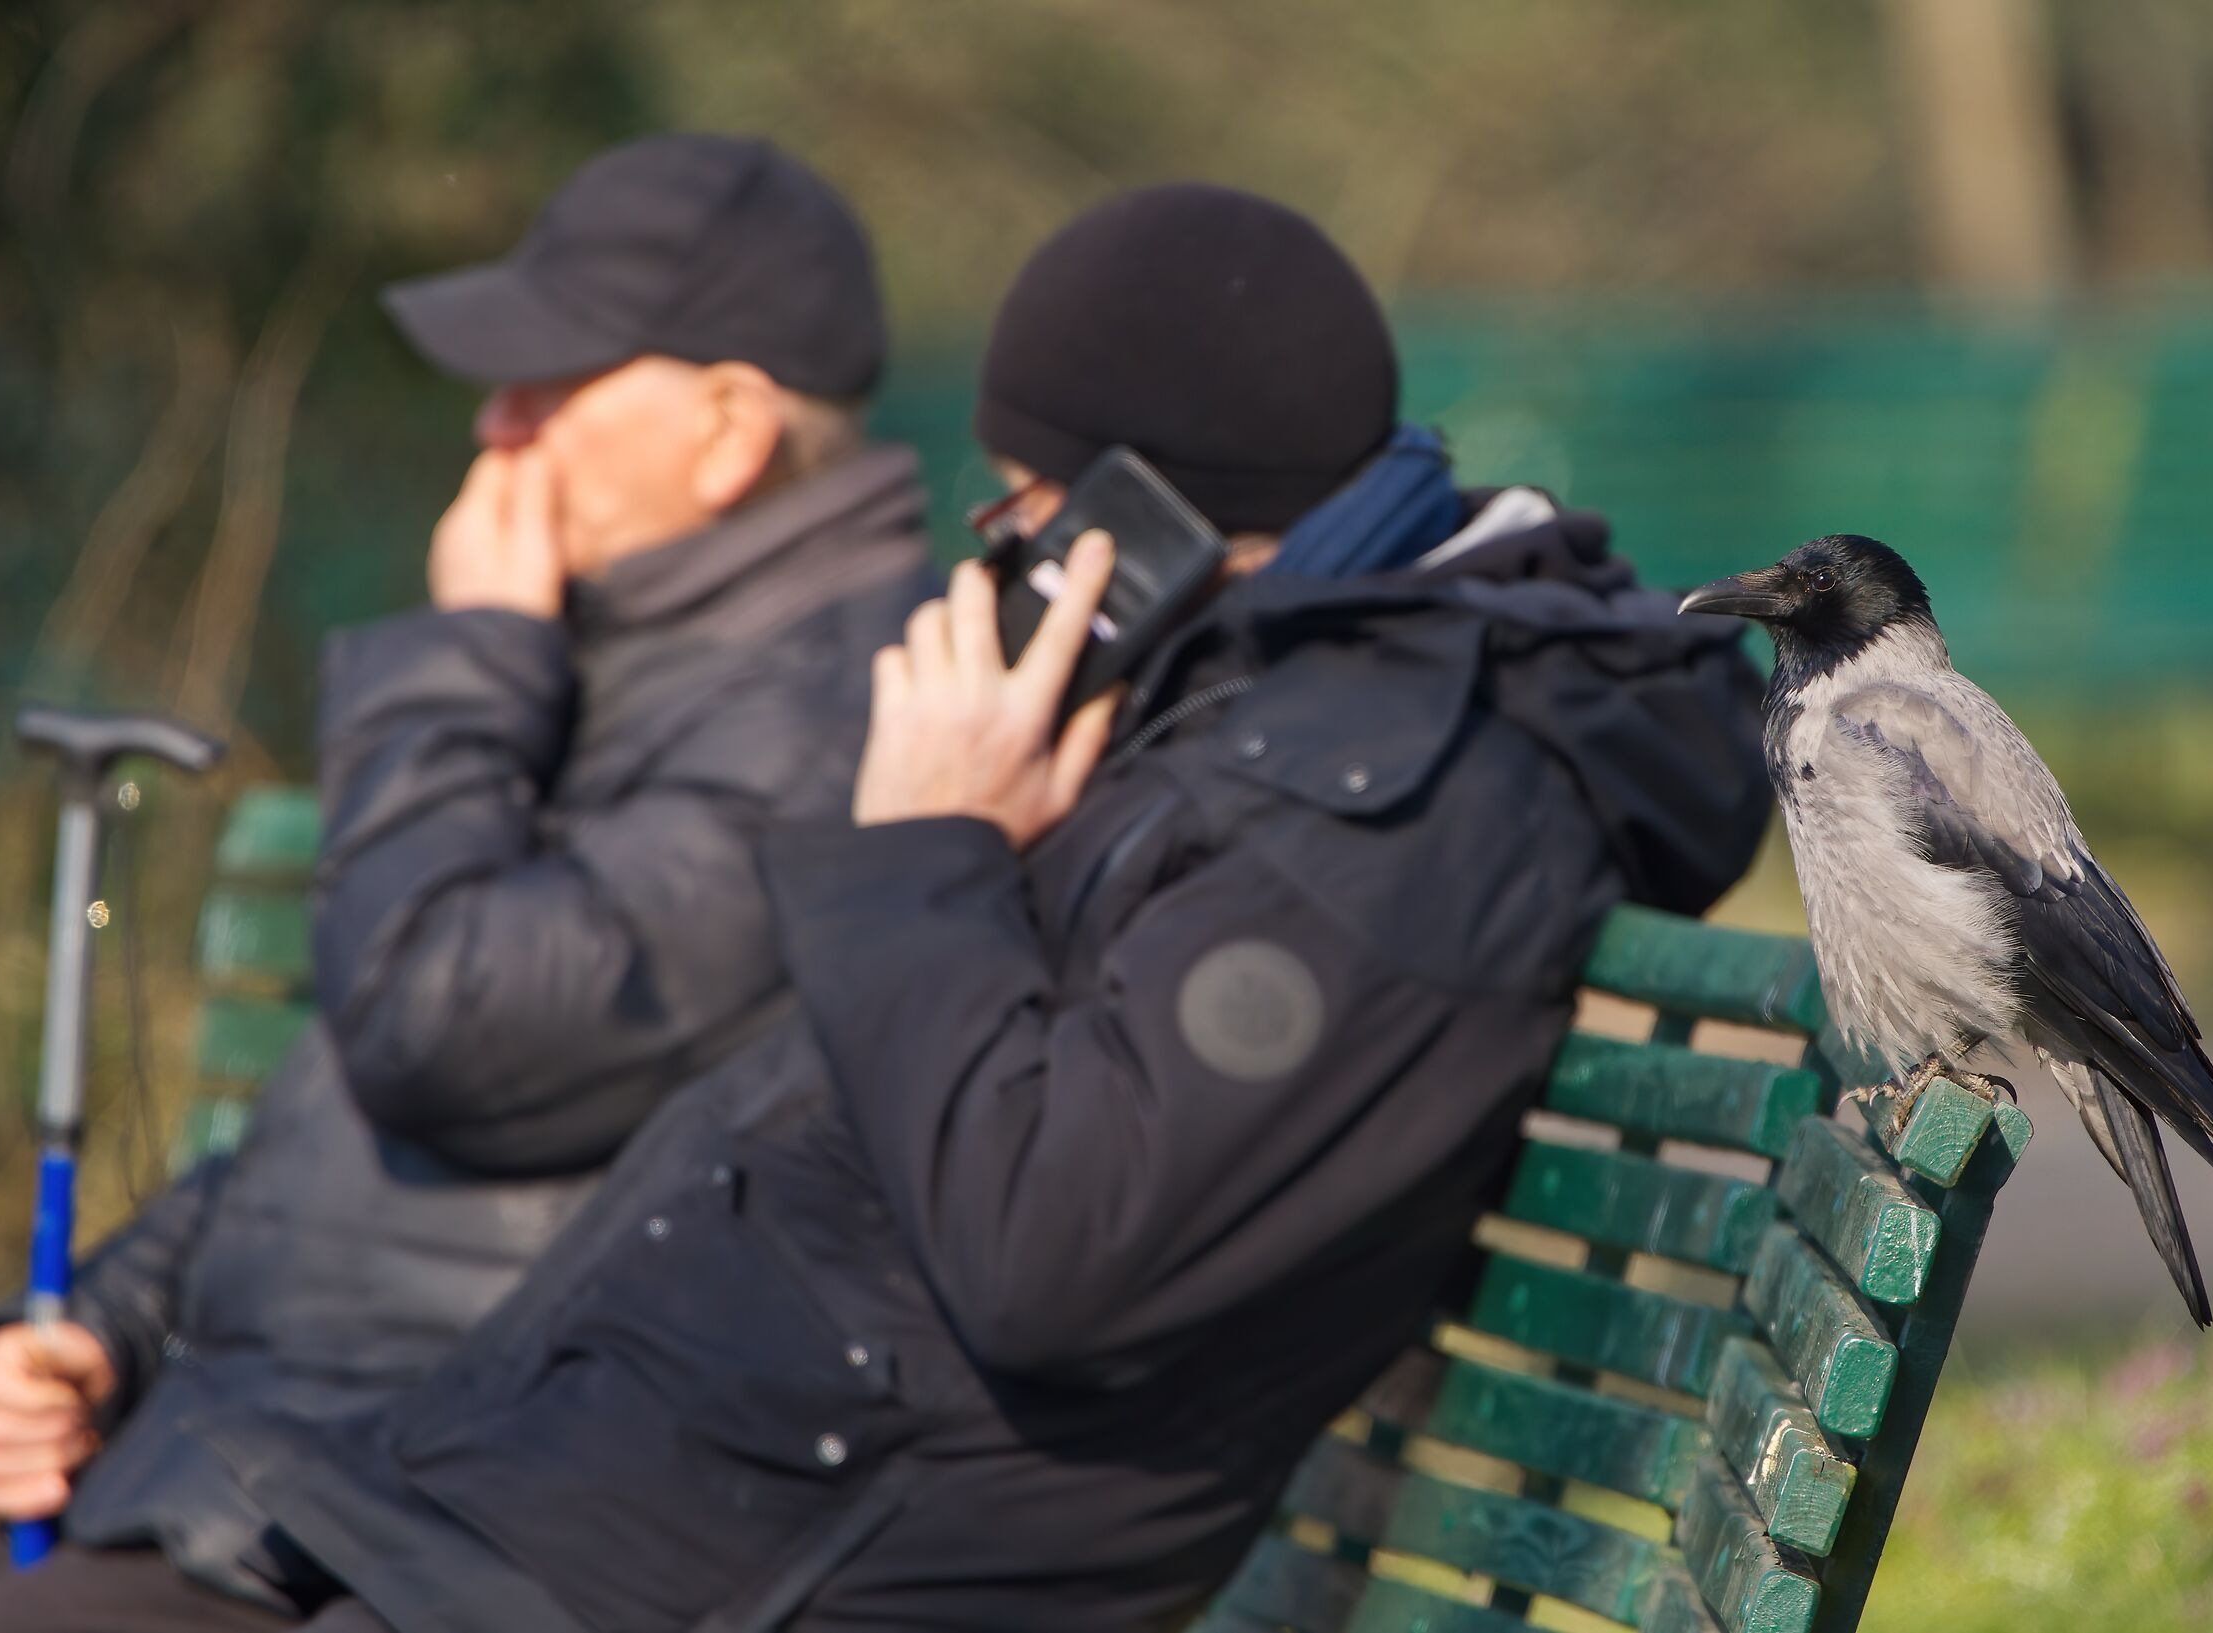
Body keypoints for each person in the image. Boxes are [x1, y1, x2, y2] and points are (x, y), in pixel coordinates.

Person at [207, 183, 1774, 1632]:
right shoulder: (1258, 709)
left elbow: (1054, 1252)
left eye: (1021, 502)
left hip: (776, 1567)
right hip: (627, 1517)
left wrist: (926, 854)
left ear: (1146, 523)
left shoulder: (1393, 811)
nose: (998, 548)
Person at [0, 134, 935, 1631]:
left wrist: (463, 667)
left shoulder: (832, 725)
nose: (495, 422)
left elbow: (445, 1029)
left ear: (729, 426)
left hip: (406, 1514)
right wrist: (107, 1325)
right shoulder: (625, 661)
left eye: (550, 381)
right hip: (265, 1458)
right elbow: (334, 1102)